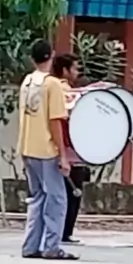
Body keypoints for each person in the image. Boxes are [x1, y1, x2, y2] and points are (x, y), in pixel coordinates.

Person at [18, 39, 78, 261]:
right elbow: (55, 121)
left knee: (37, 198)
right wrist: (63, 155)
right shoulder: (52, 84)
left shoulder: (27, 81)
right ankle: (51, 246)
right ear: (51, 56)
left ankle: (31, 245)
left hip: (27, 146)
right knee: (57, 199)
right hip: (46, 149)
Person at [50, 53, 90, 245]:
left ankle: (59, 232)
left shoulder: (54, 88)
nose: (77, 72)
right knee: (71, 195)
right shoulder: (65, 91)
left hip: (59, 151)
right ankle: (65, 232)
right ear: (65, 71)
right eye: (74, 68)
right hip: (70, 153)